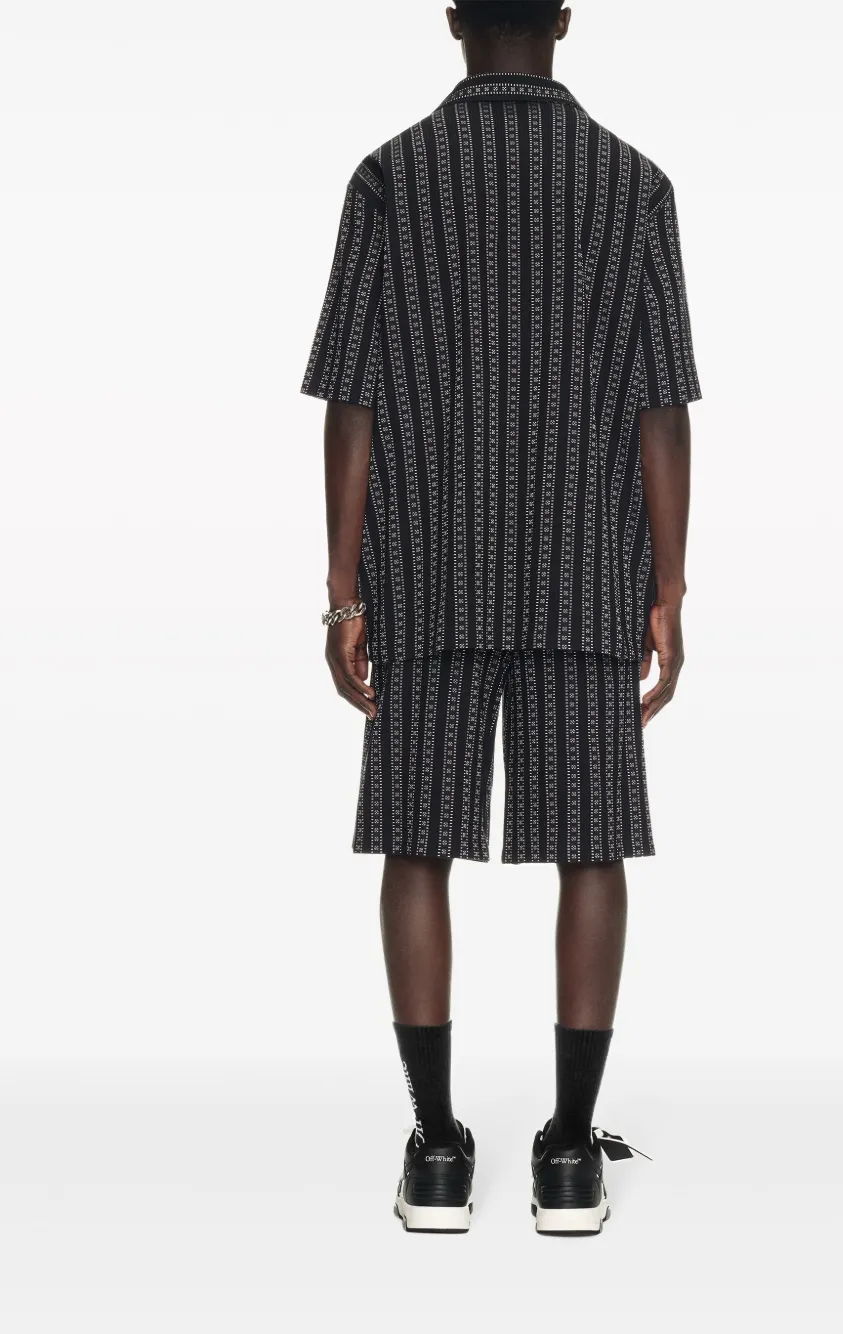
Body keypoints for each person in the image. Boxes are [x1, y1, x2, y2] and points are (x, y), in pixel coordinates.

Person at [299, 0, 700, 1235]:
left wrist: (344, 589)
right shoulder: (632, 185)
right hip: (588, 566)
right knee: (591, 845)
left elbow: (351, 402)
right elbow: (662, 407)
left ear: (453, 21)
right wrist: (669, 584)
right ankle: (570, 1152)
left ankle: (434, 1148)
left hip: (425, 565)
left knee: (415, 842)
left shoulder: (388, 178)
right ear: (565, 21)